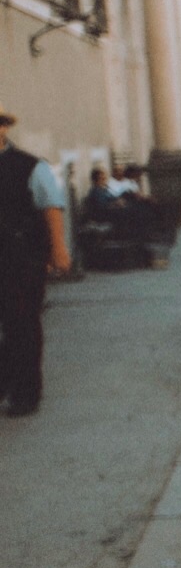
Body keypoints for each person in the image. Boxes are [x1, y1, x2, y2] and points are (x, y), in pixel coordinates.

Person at [0, 105, 73, 416]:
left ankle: (26, 393)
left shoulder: (29, 166)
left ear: (3, 127)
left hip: (21, 256)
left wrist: (58, 249)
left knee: (22, 324)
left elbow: (51, 207)